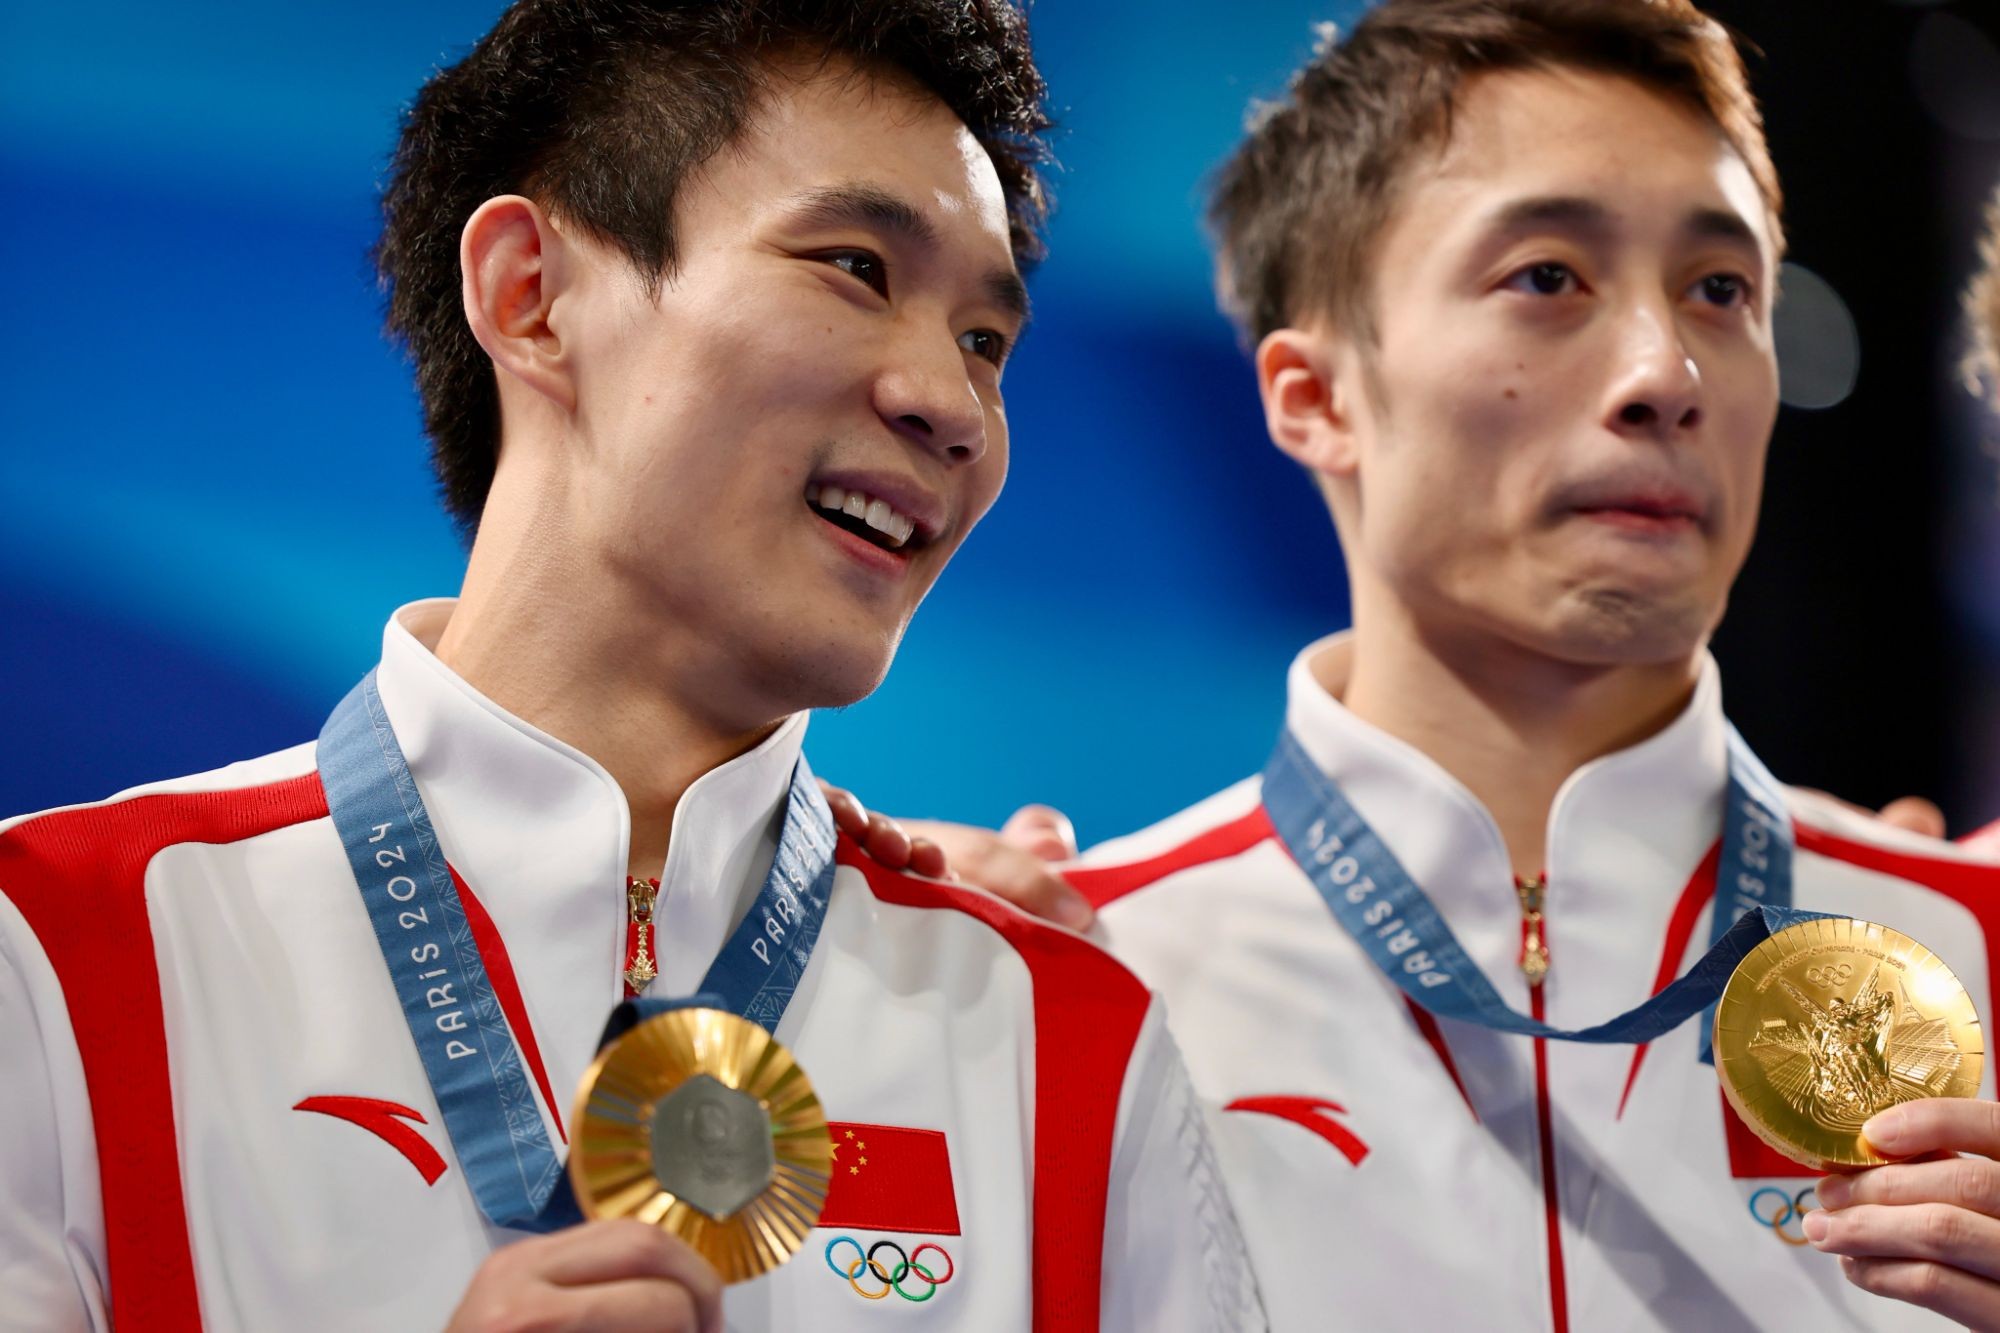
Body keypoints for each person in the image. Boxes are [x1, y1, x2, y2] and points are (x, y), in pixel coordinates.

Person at [0, 3, 1264, 1330]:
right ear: (531, 297)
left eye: (985, 342)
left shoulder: (1064, 1042)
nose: (952, 406)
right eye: (855, 268)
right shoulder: (60, 957)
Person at [897, 2, 2000, 1328]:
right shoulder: (1066, 975)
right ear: (1315, 396)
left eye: (1721, 289)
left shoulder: (1980, 946)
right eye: (1547, 277)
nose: (1666, 373)